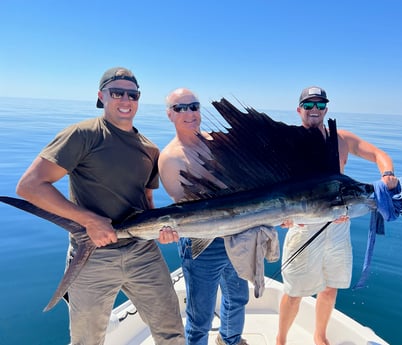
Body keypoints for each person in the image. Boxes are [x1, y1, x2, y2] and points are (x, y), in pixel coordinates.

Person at [16, 67, 185, 345]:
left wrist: (163, 231)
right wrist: (89, 220)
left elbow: (148, 204)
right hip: (93, 257)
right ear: (101, 96)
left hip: (143, 254)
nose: (125, 99)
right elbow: (30, 186)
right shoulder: (83, 134)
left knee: (172, 333)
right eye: (117, 92)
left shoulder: (150, 149)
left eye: (133, 94)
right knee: (87, 341)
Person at [276, 86, 399, 345]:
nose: (314, 110)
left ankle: (320, 335)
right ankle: (281, 339)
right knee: (294, 291)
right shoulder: (288, 142)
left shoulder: (340, 138)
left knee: (330, 286)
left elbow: (379, 155)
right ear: (299, 110)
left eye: (320, 105)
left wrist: (387, 174)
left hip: (339, 226)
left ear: (326, 110)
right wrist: (282, 218)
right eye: (308, 105)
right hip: (304, 225)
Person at [159, 88, 249, 345]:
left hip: (238, 235)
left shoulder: (219, 142)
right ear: (169, 115)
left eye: (193, 106)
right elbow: (185, 213)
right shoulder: (169, 158)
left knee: (238, 298)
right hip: (202, 244)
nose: (189, 113)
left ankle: (230, 340)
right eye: (180, 108)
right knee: (201, 317)